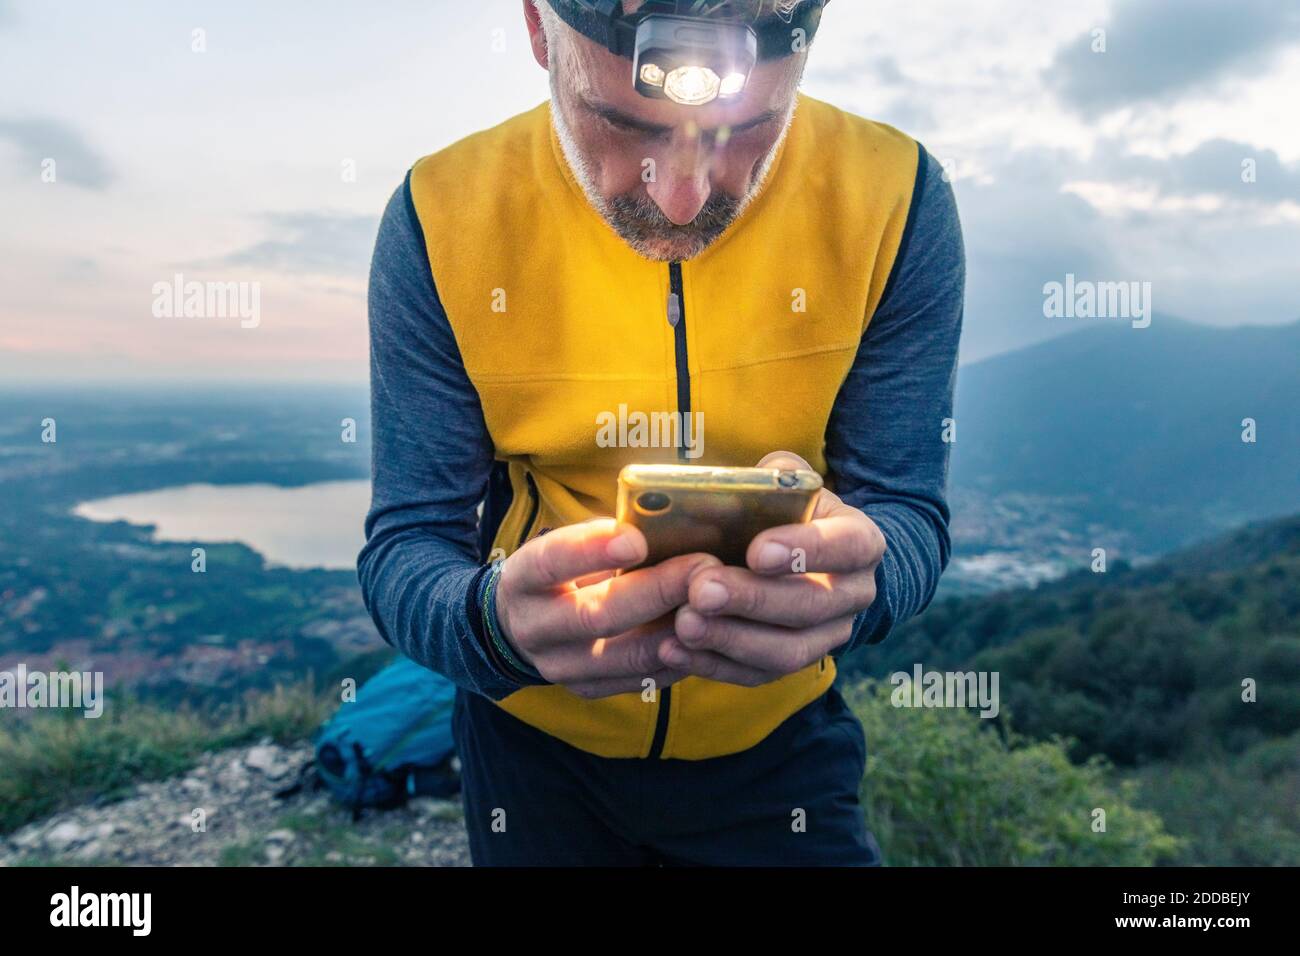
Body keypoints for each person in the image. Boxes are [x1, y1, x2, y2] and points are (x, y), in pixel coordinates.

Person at [358, 0, 964, 866]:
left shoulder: (898, 197)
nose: (682, 199)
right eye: (617, 122)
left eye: (752, 126)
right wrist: (490, 628)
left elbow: (905, 508)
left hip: (780, 747)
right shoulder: (440, 212)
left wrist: (860, 587)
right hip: (530, 753)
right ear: (538, 27)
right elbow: (406, 545)